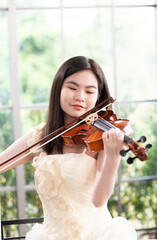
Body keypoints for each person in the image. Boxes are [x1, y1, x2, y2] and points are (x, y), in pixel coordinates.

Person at [0, 56, 137, 239]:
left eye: (89, 91)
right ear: (58, 89)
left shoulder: (102, 139)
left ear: (98, 97)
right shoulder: (40, 138)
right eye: (72, 88)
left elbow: (99, 200)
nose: (80, 97)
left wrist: (113, 157)